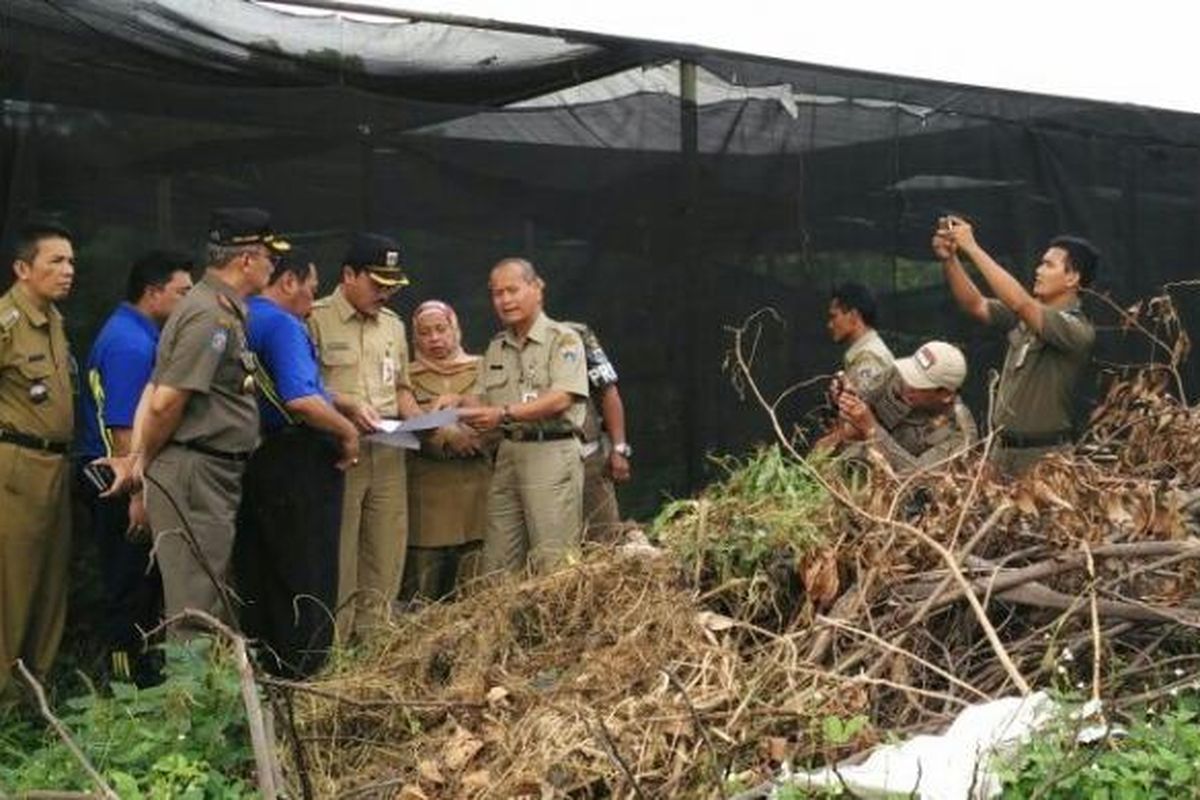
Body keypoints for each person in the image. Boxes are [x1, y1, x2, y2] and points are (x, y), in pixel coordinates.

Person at [103, 208, 285, 636]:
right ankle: (188, 701)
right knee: (194, 608)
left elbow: (154, 388)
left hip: (211, 471)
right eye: (269, 257)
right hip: (195, 470)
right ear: (245, 259)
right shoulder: (210, 316)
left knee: (210, 597)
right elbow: (166, 402)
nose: (273, 267)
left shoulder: (219, 307)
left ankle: (208, 696)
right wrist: (140, 464)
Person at [235, 249, 359, 677]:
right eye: (311, 286)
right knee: (307, 571)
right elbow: (300, 399)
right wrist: (346, 431)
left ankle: (264, 669)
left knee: (263, 570)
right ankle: (307, 674)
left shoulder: (239, 316)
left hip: (254, 455)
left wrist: (340, 400)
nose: (312, 297)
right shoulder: (283, 324)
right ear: (288, 282)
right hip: (298, 457)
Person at [78, 249, 193, 685]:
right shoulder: (130, 343)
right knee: (129, 589)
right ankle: (127, 688)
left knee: (142, 587)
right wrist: (138, 497)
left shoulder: (139, 333)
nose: (187, 301)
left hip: (127, 480)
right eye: (182, 292)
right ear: (153, 292)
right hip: (118, 485)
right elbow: (126, 435)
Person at [307, 233, 422, 640]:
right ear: (348, 275)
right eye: (377, 285)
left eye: (392, 286)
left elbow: (402, 388)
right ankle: (334, 645)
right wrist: (345, 406)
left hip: (391, 449)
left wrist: (424, 421)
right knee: (339, 549)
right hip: (340, 450)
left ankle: (376, 644)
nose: (385, 294)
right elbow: (303, 387)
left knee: (387, 545)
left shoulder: (392, 325)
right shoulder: (315, 318)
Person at [935, 216, 1098, 476]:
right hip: (1001, 451)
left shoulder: (1076, 329)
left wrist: (973, 248)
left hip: (1044, 459)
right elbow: (975, 305)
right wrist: (950, 259)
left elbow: (1021, 303)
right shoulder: (1024, 318)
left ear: (1072, 278)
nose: (1038, 270)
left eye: (1048, 265)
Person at [459, 257, 589, 574]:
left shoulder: (564, 339)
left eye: (512, 290)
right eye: (497, 293)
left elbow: (561, 398)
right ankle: (505, 624)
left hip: (552, 449)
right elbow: (482, 400)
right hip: (508, 453)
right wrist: (453, 404)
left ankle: (560, 624)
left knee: (554, 562)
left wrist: (502, 413)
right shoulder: (496, 347)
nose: (505, 300)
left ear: (537, 288)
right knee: (498, 563)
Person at [0, 221, 76, 701]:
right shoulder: (5, 322)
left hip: (55, 466)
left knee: (50, 585)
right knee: (12, 585)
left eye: (71, 261)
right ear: (23, 268)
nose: (68, 271)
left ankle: (35, 697)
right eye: (56, 261)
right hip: (17, 468)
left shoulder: (54, 320)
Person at [400, 300, 490, 602]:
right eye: (425, 333)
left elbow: (502, 411)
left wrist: (474, 437)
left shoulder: (485, 367)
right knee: (422, 594)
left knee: (479, 591)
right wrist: (443, 436)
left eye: (441, 329)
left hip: (479, 492)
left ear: (456, 330)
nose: (434, 339)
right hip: (428, 496)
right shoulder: (405, 377)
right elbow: (400, 420)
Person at [824, 341, 977, 474]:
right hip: (852, 462)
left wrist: (871, 428)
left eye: (918, 383)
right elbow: (861, 400)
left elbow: (917, 479)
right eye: (909, 374)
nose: (907, 385)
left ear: (946, 394)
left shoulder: (960, 434)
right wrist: (846, 396)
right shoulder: (896, 375)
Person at [564, 321, 631, 544]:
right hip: (530, 464)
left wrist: (619, 448)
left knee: (603, 543)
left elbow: (608, 391)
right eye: (498, 294)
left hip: (585, 455)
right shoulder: (499, 351)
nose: (506, 301)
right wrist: (449, 429)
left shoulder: (574, 336)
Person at [827, 282, 894, 395]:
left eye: (834, 316)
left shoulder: (871, 358)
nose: (830, 325)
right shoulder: (864, 354)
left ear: (854, 315)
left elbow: (858, 409)